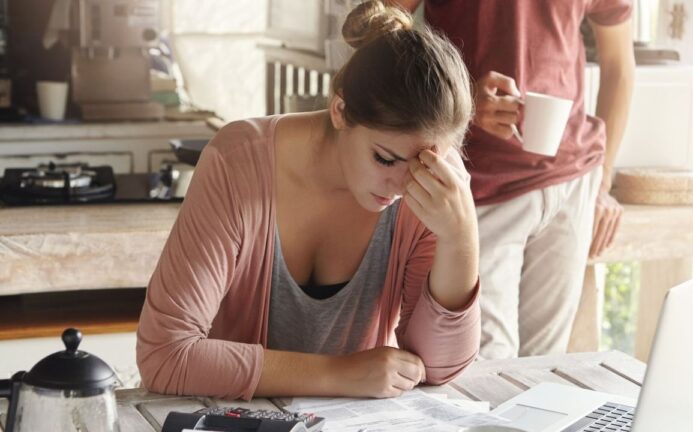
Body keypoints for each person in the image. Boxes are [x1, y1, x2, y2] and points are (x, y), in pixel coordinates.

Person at [136, 0, 481, 400]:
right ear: (339, 110)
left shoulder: (430, 183)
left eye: (423, 164)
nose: (404, 184)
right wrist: (338, 374)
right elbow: (165, 355)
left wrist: (462, 236)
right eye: (385, 158)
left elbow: (437, 368)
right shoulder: (238, 163)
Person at [392, 0, 635, 359]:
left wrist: (603, 182)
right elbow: (379, 31)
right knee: (483, 365)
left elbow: (620, 66)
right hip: (480, 187)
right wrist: (458, 96)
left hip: (571, 182)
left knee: (546, 367)